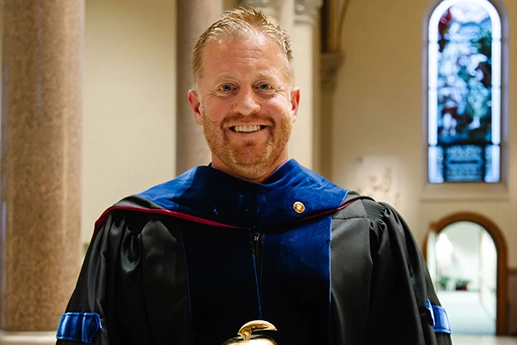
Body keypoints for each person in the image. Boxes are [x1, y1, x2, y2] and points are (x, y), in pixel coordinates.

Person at [56, 7, 452, 345]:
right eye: (226, 87)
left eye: (264, 86)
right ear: (197, 106)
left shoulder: (366, 232)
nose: (247, 106)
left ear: (293, 102)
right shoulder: (137, 233)